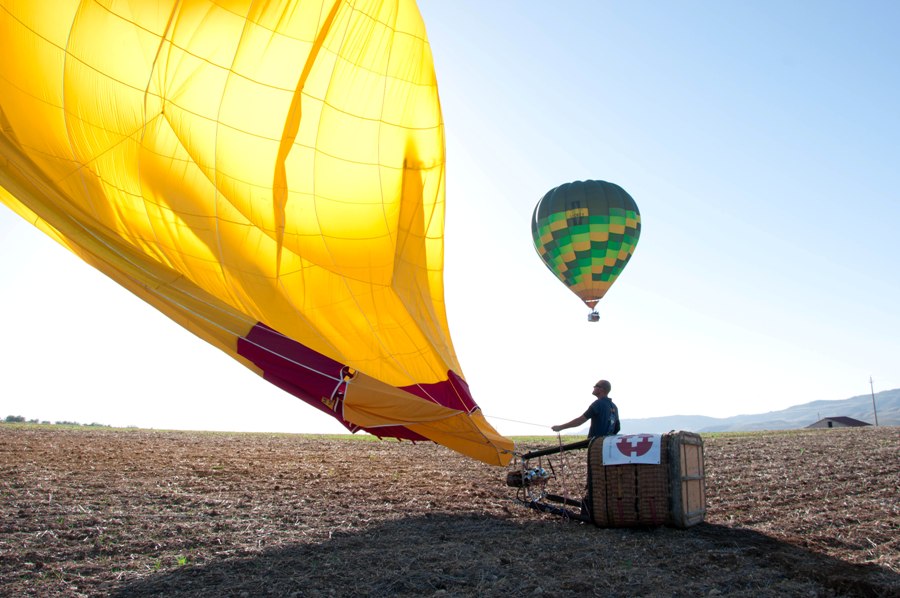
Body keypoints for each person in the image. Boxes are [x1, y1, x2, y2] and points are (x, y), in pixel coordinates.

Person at [552, 379, 620, 438]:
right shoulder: (614, 407)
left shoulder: (598, 404)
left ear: (602, 389)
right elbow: (617, 428)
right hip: (607, 446)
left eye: (596, 385)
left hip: (595, 445)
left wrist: (560, 427)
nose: (594, 387)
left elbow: (580, 421)